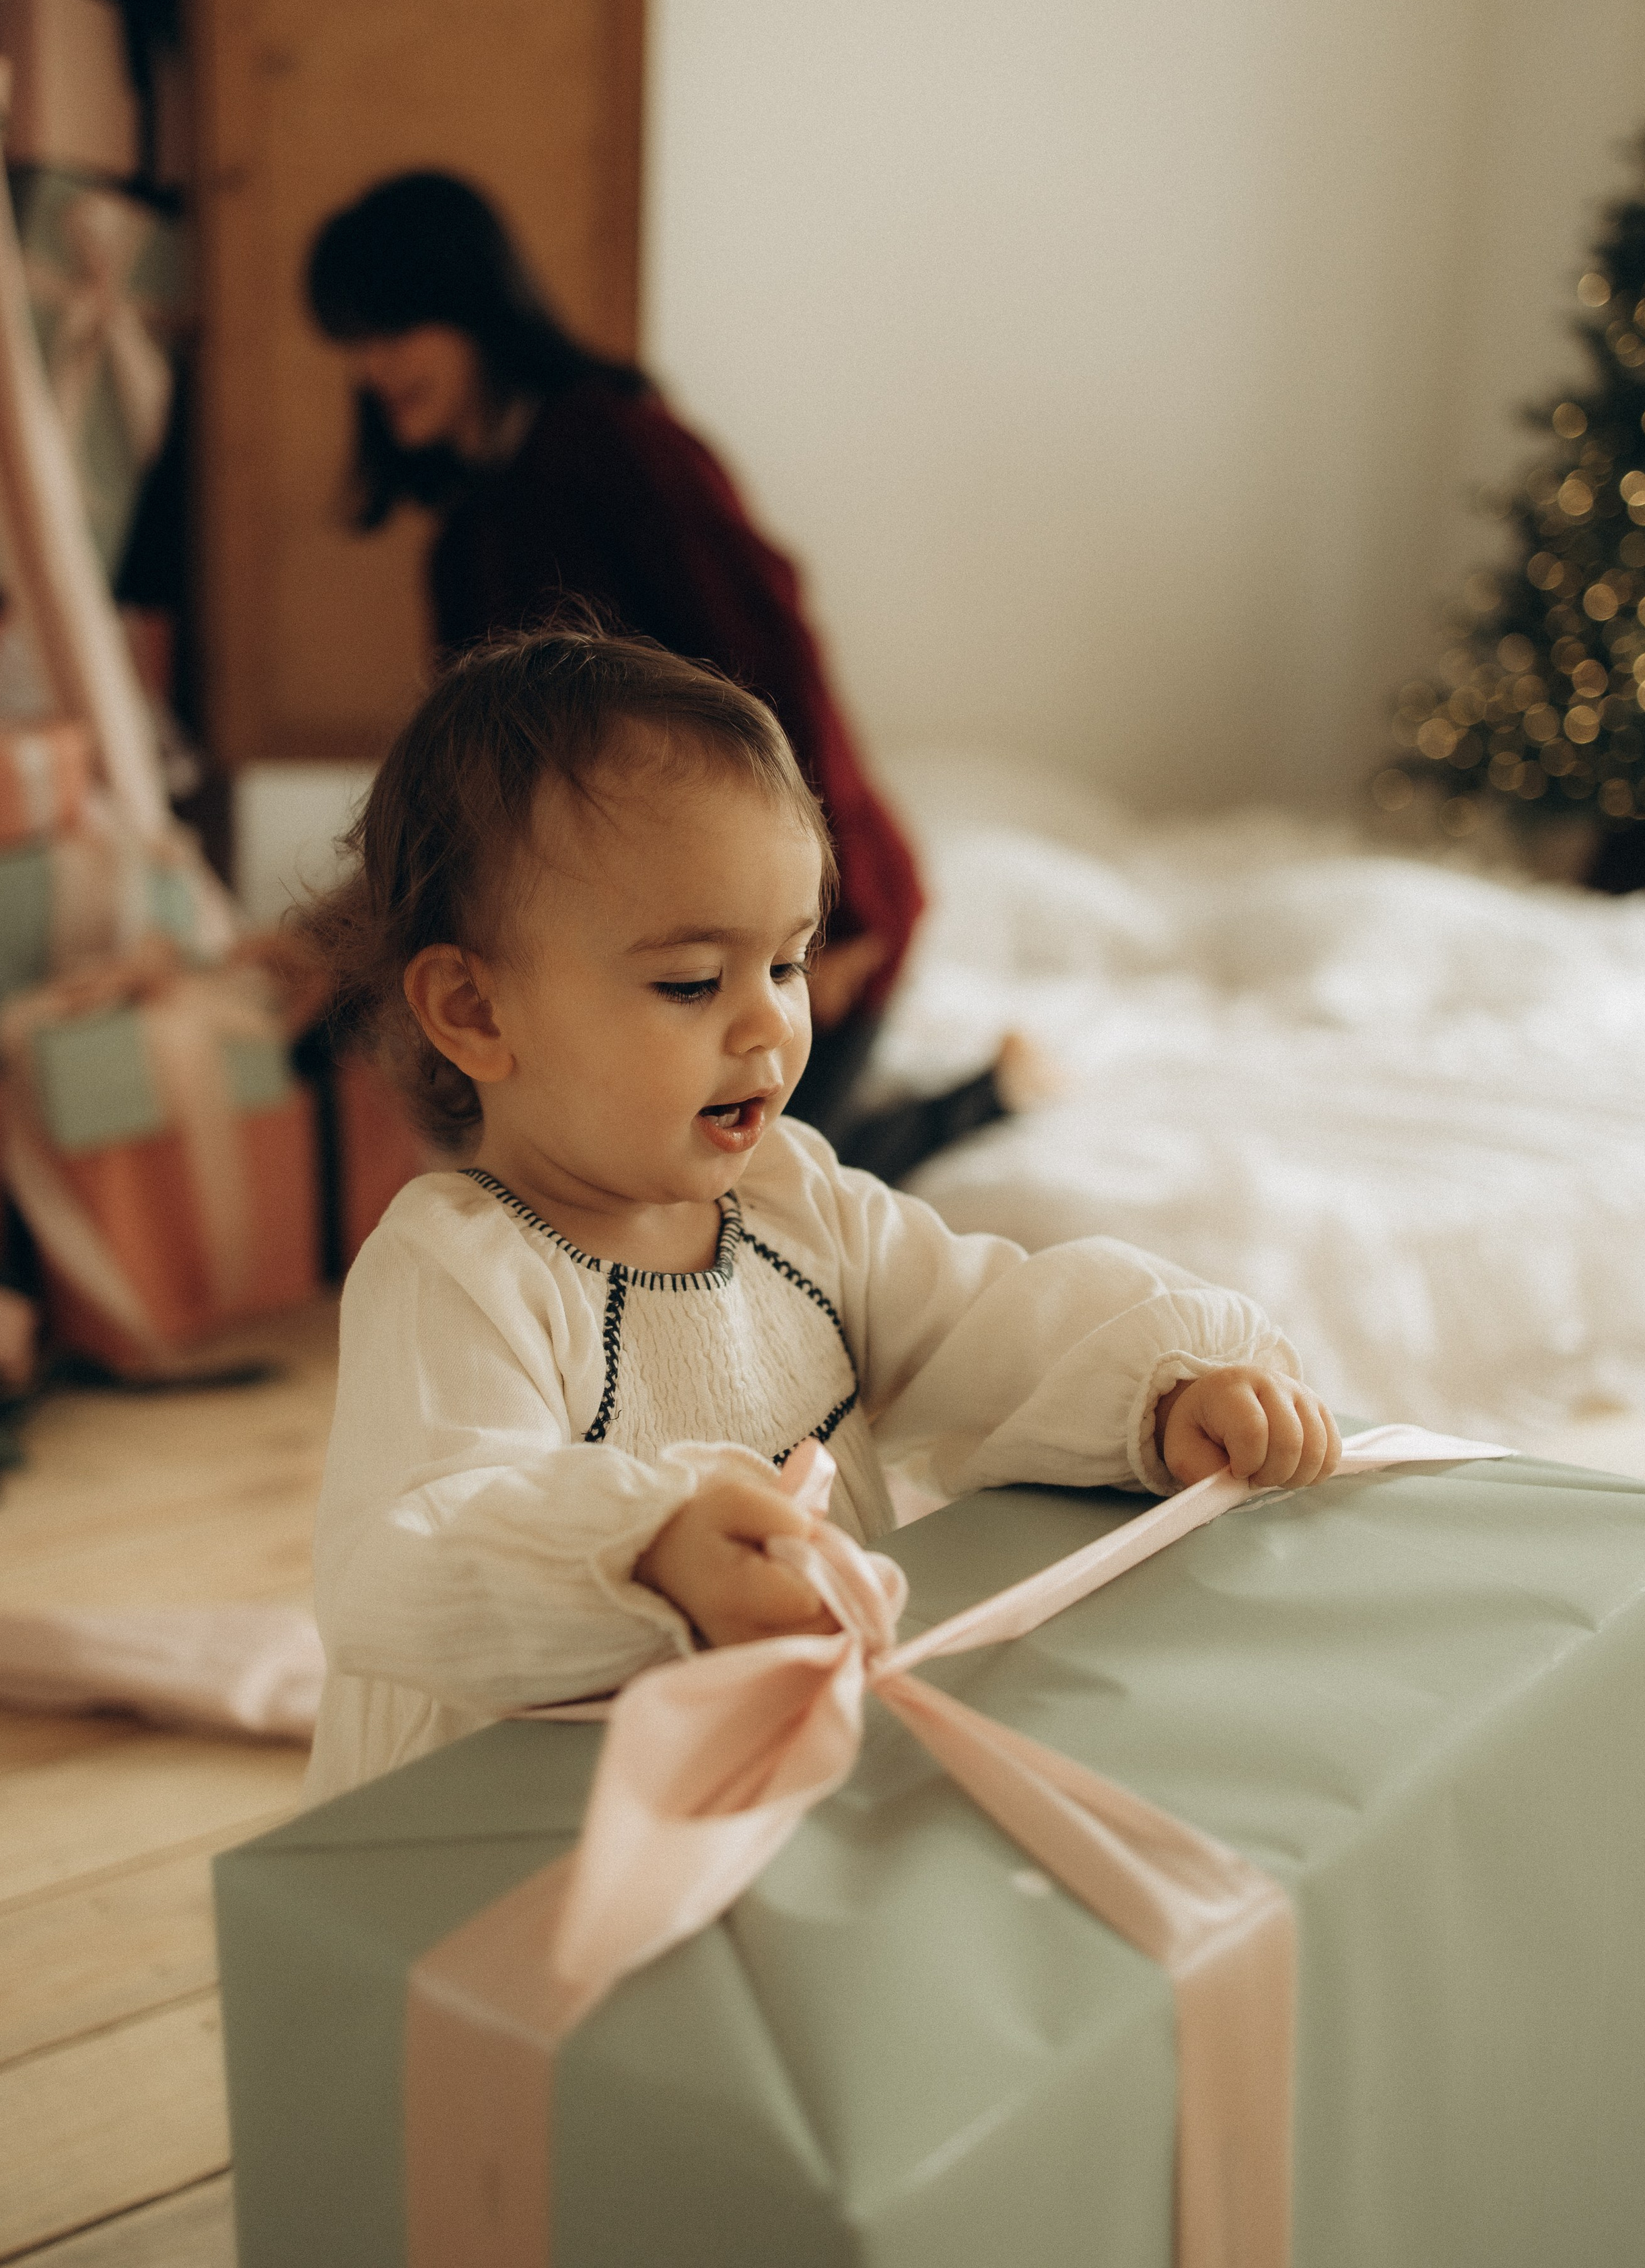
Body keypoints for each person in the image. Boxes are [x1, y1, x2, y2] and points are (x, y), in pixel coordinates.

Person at [295, 629, 1341, 1802]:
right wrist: (649, 1557)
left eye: (787, 964)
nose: (767, 1028)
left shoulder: (796, 1203)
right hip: (525, 1820)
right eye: (693, 981)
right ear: (475, 1009)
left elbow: (988, 1317)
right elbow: (417, 1543)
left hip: (787, 1771)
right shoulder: (460, 1269)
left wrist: (1167, 1385)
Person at [304, 168, 1055, 1183]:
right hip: (647, 927)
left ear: (472, 309)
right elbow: (474, 782)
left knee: (749, 1184)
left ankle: (986, 1096)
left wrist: (829, 920)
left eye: (393, 329)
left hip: (807, 902)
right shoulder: (464, 543)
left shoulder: (618, 445)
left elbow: (775, 665)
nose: (373, 367)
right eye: (355, 343)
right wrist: (339, 935)